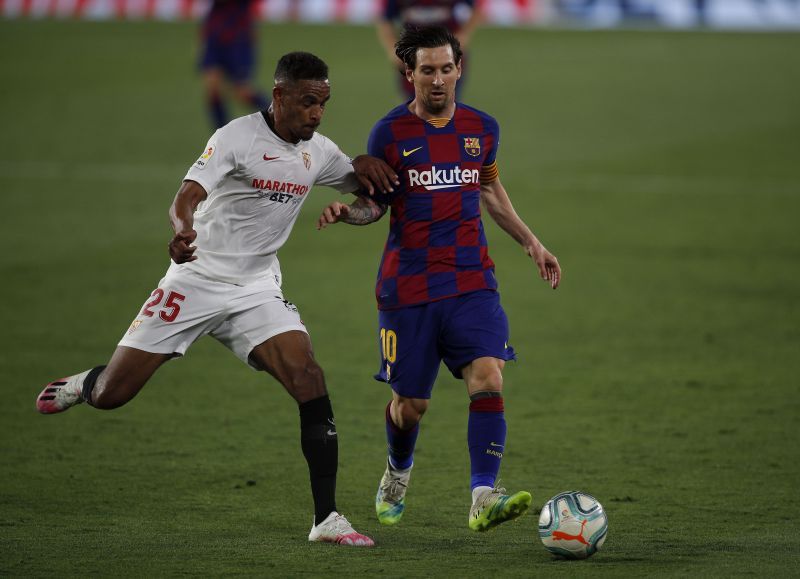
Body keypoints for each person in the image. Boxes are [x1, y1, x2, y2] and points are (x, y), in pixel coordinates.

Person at [36, 51, 399, 547]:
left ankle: (326, 518)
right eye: (308, 102)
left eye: (324, 103)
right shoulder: (236, 137)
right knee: (113, 396)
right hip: (194, 279)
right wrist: (183, 231)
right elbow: (185, 195)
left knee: (309, 377)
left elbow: (371, 199)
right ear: (279, 96)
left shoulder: (319, 152)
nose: (317, 114)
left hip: (255, 289)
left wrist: (365, 178)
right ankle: (87, 383)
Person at [317, 26, 562, 532]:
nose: (437, 80)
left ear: (459, 69)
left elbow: (489, 189)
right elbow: (375, 206)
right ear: (409, 73)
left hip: (472, 279)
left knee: (489, 375)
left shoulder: (482, 128)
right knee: (411, 405)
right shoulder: (389, 134)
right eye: (426, 70)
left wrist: (531, 243)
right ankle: (397, 472)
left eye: (445, 69)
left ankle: (482, 495)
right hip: (408, 288)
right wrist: (349, 213)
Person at [376, 0, 482, 100]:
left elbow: (476, 9)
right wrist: (393, 50)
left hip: (447, 57)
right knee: (415, 108)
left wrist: (463, 36)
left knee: (446, 107)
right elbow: (385, 20)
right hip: (413, 58)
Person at [200, 0, 270, 128]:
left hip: (238, 38)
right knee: (213, 87)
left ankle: (281, 115)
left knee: (243, 92)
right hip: (215, 35)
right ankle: (222, 136)